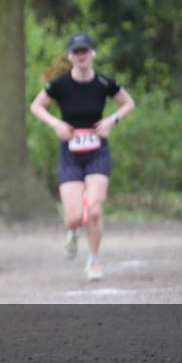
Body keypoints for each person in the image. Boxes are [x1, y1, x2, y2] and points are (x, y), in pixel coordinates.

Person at [29, 33, 135, 281]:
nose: (81, 56)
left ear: (92, 54)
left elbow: (128, 103)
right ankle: (74, 230)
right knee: (74, 217)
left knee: (95, 210)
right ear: (70, 56)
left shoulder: (103, 83)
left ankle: (93, 262)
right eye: (76, 52)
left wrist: (111, 120)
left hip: (98, 149)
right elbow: (36, 106)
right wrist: (56, 124)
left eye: (84, 51)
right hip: (70, 152)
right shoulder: (60, 84)